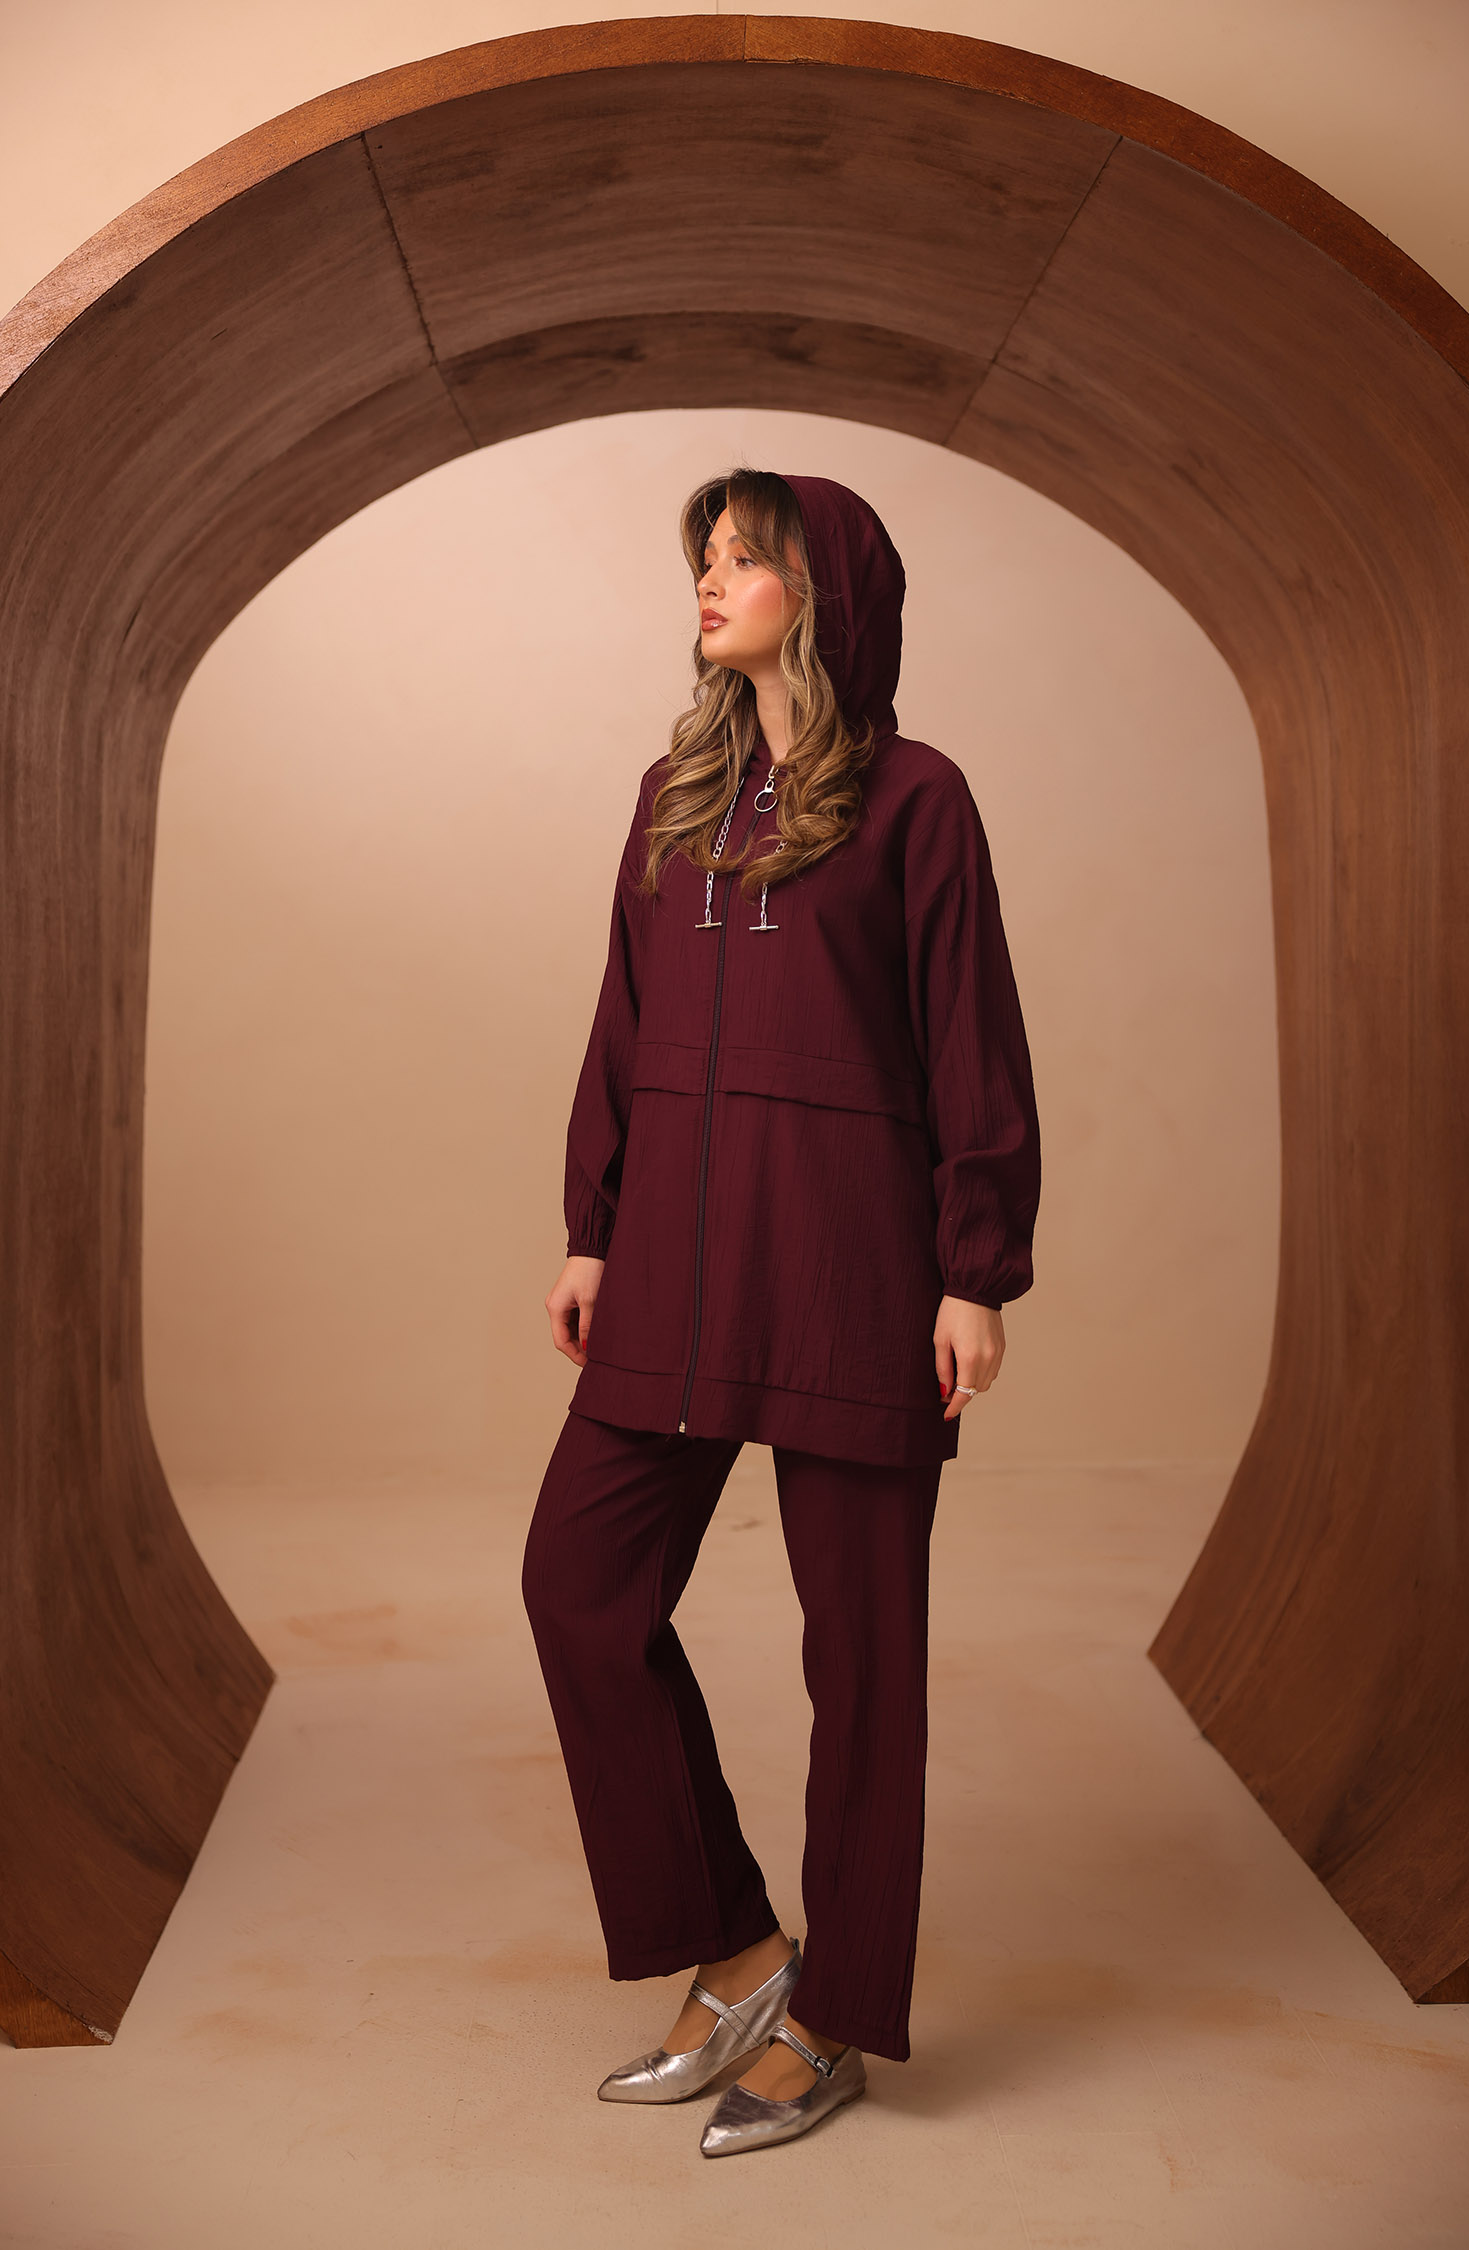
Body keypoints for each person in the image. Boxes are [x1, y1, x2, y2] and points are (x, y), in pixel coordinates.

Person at [522, 468, 1040, 2158]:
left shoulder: (920, 800)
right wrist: (594, 1228)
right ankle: (740, 1950)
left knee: (863, 1665)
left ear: (825, 592)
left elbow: (971, 1034)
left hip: (850, 1272)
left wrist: (975, 1267)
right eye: (710, 555)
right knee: (579, 1586)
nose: (714, 577)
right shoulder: (675, 790)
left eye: (748, 558)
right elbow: (624, 1016)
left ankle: (837, 2018)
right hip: (676, 1260)